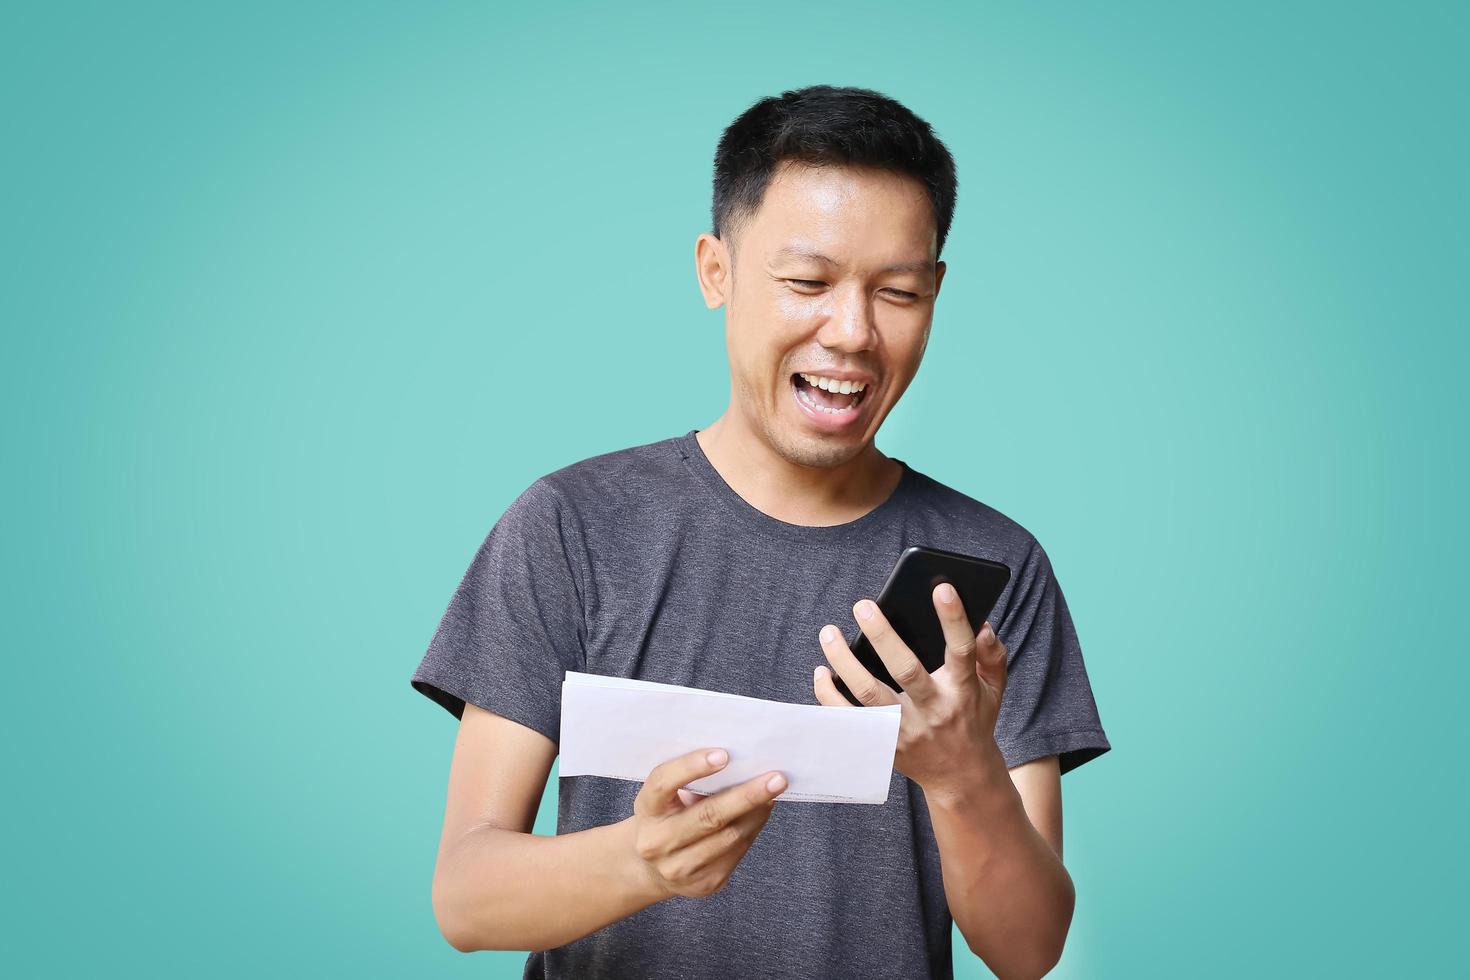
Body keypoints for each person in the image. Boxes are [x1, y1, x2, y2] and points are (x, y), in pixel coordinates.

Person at [410, 83, 1111, 980]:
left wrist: (961, 775)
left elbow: (1028, 951)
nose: (853, 333)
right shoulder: (571, 527)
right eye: (808, 283)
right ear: (717, 271)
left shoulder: (995, 569)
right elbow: (467, 898)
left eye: (897, 292)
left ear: (935, 292)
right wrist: (642, 860)